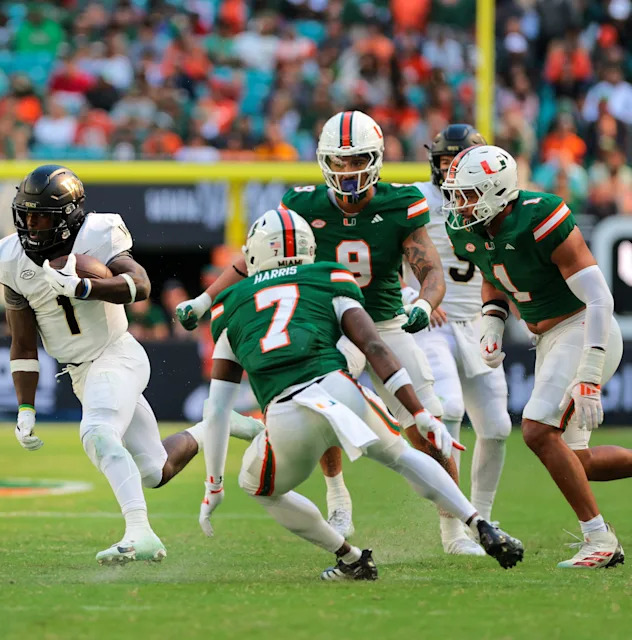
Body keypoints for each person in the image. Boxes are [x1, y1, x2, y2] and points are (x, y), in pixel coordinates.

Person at [175, 110, 478, 554]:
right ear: (323, 161)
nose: (348, 171)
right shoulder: (302, 204)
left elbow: (431, 271)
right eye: (339, 161)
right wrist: (205, 299)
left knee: (424, 424)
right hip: (328, 323)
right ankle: (337, 494)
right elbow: (251, 256)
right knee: (320, 405)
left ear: (375, 160)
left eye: (357, 161)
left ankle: (453, 531)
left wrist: (424, 305)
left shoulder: (400, 202)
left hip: (386, 322)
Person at [197, 209, 523, 579]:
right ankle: (479, 523)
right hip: (339, 391)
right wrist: (420, 413)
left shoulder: (230, 305)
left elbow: (218, 409)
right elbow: (375, 347)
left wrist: (214, 485)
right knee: (401, 455)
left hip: (286, 413)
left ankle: (350, 558)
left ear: (254, 252)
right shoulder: (329, 276)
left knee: (259, 488)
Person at [0, 165, 257, 565]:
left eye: (42, 216)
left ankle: (140, 533)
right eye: (26, 214)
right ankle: (217, 424)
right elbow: (23, 342)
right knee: (155, 471)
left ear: (68, 217)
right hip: (81, 372)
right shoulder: (10, 256)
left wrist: (86, 286)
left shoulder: (98, 234)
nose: (31, 224)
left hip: (117, 354)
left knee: (97, 432)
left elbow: (141, 285)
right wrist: (25, 407)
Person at [444, 144, 632, 569]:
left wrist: (588, 371)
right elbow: (493, 279)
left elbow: (601, 298)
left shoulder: (542, 217)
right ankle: (598, 536)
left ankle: (599, 539)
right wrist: (491, 322)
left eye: (468, 194)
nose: (459, 204)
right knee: (577, 460)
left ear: (496, 191)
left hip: (586, 326)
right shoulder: (471, 230)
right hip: (548, 338)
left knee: (534, 429)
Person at [405, 124, 512, 525]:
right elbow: (386, 255)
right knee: (447, 407)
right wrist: (414, 298)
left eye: (458, 161)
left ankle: (481, 518)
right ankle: (453, 525)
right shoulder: (416, 196)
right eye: (444, 161)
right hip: (433, 321)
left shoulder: (492, 196)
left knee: (498, 427)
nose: (449, 169)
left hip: (479, 320)